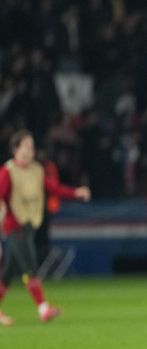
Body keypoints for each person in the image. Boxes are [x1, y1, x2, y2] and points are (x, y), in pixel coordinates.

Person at [0, 130, 91, 326]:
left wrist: (76, 192)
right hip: (15, 226)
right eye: (26, 145)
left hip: (29, 225)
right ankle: (43, 308)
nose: (31, 149)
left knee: (7, 273)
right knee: (30, 266)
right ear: (15, 149)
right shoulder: (8, 172)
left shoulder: (36, 170)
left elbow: (54, 188)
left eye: (32, 145)